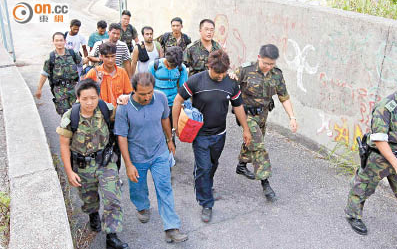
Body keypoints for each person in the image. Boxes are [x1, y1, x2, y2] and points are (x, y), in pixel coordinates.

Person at [344, 65, 397, 249]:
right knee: (363, 188)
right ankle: (353, 214)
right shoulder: (386, 107)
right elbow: (380, 140)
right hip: (379, 158)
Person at [172, 50, 251, 223]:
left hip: (220, 134)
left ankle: (206, 185)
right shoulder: (196, 81)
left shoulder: (230, 82)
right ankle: (206, 202)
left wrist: (245, 129)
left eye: (224, 72)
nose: (221, 76)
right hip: (200, 135)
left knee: (213, 164)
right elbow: (178, 100)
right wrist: (175, 125)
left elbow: (238, 106)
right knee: (204, 167)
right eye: (218, 72)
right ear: (209, 66)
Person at [114, 73, 188, 243]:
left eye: (150, 92)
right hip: (137, 156)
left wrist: (170, 140)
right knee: (138, 188)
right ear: (133, 91)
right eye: (142, 94)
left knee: (165, 188)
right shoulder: (124, 108)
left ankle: (171, 228)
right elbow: (122, 137)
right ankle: (142, 206)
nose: (147, 97)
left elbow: (164, 119)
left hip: (159, 152)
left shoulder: (160, 98)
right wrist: (128, 164)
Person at [56, 79, 128, 249]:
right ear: (78, 98)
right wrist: (69, 172)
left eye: (93, 98)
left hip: (106, 162)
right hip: (82, 166)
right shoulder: (70, 117)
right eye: (85, 98)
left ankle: (112, 237)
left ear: (98, 97)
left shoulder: (105, 109)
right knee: (89, 199)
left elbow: (121, 111)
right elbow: (64, 145)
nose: (89, 102)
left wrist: (123, 99)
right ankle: (93, 214)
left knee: (113, 198)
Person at [231, 44, 297, 202]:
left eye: (272, 64)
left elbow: (284, 97)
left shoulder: (277, 75)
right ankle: (265, 183)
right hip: (246, 115)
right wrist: (231, 77)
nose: (268, 67)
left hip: (263, 115)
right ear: (259, 57)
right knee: (259, 146)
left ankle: (241, 165)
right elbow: (229, 86)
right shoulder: (245, 70)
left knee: (252, 142)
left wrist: (292, 117)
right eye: (266, 63)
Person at [36, 32, 82, 116]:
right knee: (64, 114)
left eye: (61, 40)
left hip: (74, 88)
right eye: (56, 40)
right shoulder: (51, 57)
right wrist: (39, 89)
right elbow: (44, 74)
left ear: (65, 41)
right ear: (53, 42)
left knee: (77, 111)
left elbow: (81, 64)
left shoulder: (72, 54)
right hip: (59, 91)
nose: (59, 43)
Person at [150, 46, 188, 146]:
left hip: (173, 104)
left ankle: (170, 151)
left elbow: (183, 89)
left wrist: (184, 105)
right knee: (156, 129)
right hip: (156, 103)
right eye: (170, 65)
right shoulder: (155, 65)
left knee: (170, 129)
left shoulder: (181, 68)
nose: (172, 68)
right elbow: (148, 85)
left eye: (175, 66)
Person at [85, 42, 132, 107]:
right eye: (107, 57)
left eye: (112, 56)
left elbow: (129, 93)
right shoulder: (93, 73)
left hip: (118, 111)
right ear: (101, 56)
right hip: (100, 112)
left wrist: (124, 98)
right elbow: (84, 94)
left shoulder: (122, 72)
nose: (110, 60)